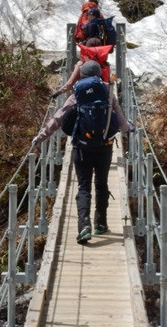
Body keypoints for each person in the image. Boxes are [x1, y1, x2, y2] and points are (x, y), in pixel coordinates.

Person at [32, 60, 135, 244]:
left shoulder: (77, 93)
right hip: (105, 147)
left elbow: (58, 118)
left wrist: (40, 137)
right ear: (99, 75)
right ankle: (101, 223)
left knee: (83, 186)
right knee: (101, 184)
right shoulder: (108, 92)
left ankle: (84, 226)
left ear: (83, 76)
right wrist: (130, 128)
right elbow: (120, 121)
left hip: (81, 147)